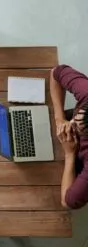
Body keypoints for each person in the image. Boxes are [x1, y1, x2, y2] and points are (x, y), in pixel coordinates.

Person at [50, 64, 88, 209]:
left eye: (79, 127)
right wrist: (59, 119)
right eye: (76, 117)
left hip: (75, 160)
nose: (72, 123)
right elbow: (55, 72)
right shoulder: (86, 92)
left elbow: (67, 202)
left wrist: (70, 154)